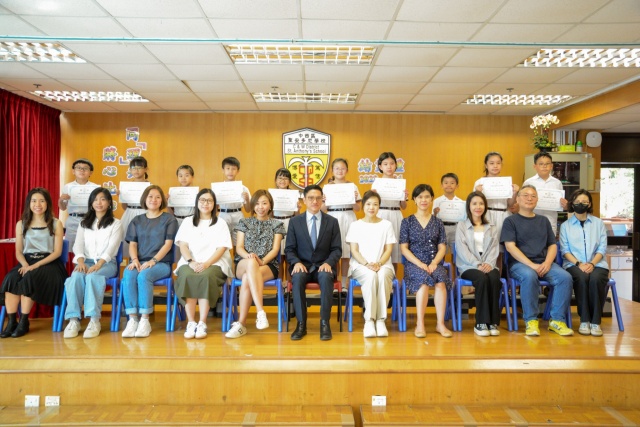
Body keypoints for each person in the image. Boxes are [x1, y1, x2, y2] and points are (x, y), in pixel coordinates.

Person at [501, 185, 574, 337]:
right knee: (529, 276)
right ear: (518, 199)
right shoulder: (510, 221)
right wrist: (531, 265)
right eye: (525, 195)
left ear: (537, 200)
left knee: (565, 277)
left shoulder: (544, 220)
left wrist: (547, 263)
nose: (529, 198)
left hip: (543, 262)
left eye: (533, 196)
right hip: (520, 264)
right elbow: (510, 247)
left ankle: (557, 321)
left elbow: (552, 245)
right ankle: (531, 321)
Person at [1, 188, 67, 338]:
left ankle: (24, 321)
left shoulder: (56, 223)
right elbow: (19, 251)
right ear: (29, 203)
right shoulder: (21, 224)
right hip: (27, 261)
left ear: (47, 203)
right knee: (11, 279)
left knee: (29, 278)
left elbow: (57, 252)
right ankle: (12, 322)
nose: (38, 204)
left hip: (49, 263)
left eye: (42, 201)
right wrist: (25, 265)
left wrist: (34, 266)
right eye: (34, 201)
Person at [63, 188, 123, 339]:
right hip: (86, 262)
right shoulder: (84, 223)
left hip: (107, 263)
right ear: (91, 203)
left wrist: (99, 264)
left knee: (92, 277)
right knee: (76, 277)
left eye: (103, 199)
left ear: (109, 203)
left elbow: (112, 247)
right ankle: (74, 320)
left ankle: (94, 320)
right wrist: (80, 262)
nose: (99, 202)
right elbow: (78, 245)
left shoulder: (116, 223)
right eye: (95, 199)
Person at [226, 190, 286, 338]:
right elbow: (239, 247)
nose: (261, 207)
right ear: (253, 205)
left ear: (270, 205)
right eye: (257, 203)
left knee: (248, 277)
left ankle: (241, 324)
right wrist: (249, 257)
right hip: (244, 262)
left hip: (268, 265)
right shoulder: (244, 222)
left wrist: (262, 261)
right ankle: (260, 311)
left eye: (264, 203)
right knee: (251, 264)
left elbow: (275, 249)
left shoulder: (277, 224)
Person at [285, 184, 342, 341]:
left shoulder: (332, 222)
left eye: (318, 198)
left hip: (324, 265)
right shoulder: (295, 222)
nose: (315, 201)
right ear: (304, 200)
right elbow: (289, 249)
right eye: (310, 198)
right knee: (297, 278)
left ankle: (325, 323)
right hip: (302, 265)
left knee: (325, 277)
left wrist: (329, 263)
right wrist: (296, 262)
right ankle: (301, 324)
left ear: (323, 199)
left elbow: (337, 249)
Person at [175, 189, 233, 340]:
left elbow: (222, 248)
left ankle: (202, 322)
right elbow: (183, 245)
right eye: (202, 200)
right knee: (187, 276)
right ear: (197, 202)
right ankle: (191, 322)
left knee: (206, 276)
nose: (205, 203)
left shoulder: (220, 223)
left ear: (214, 204)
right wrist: (191, 262)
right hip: (190, 261)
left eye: (209, 200)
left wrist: (207, 263)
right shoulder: (188, 221)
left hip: (215, 262)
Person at [121, 185, 178, 338]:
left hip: (161, 264)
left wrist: (153, 260)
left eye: (158, 197)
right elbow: (132, 244)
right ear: (144, 199)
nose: (154, 200)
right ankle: (132, 319)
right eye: (150, 196)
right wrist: (134, 260)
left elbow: (168, 245)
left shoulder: (169, 219)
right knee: (128, 273)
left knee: (144, 275)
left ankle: (145, 320)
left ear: (162, 200)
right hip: (139, 262)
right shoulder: (136, 220)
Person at [399, 184, 453, 339]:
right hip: (414, 264)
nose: (424, 200)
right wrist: (420, 264)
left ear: (432, 199)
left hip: (434, 262)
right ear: (414, 200)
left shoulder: (438, 222)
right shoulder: (407, 222)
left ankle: (440, 324)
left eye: (427, 197)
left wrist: (434, 262)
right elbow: (404, 249)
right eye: (420, 197)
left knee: (440, 281)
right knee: (423, 282)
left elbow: (442, 247)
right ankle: (420, 324)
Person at [345, 191, 396, 338]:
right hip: (360, 265)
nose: (371, 207)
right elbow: (354, 250)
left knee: (382, 275)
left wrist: (379, 263)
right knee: (371, 276)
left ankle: (380, 320)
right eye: (368, 204)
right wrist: (367, 264)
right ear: (363, 206)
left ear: (379, 206)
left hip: (383, 264)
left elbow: (389, 250)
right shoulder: (355, 225)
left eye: (375, 204)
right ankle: (369, 320)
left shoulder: (386, 225)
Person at [559, 189, 609, 337]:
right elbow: (565, 250)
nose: (581, 204)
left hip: (597, 264)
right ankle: (584, 320)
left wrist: (592, 264)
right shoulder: (565, 226)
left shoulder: (598, 223)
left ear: (589, 204)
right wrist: (579, 264)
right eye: (577, 202)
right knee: (581, 278)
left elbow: (602, 248)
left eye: (584, 202)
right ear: (572, 204)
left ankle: (595, 322)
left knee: (595, 279)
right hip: (573, 264)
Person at [455, 191, 502, 337]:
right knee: (481, 278)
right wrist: (477, 264)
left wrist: (488, 263)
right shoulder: (462, 226)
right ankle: (481, 322)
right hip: (468, 266)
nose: (478, 207)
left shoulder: (492, 227)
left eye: (481, 204)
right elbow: (462, 250)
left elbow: (494, 248)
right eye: (474, 203)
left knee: (494, 277)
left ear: (485, 206)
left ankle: (492, 322)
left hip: (488, 264)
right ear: (469, 206)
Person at [322, 158, 361, 292]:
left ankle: (344, 283)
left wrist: (354, 199)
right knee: (333, 251)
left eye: (342, 168)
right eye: (337, 168)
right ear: (332, 171)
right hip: (332, 217)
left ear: (347, 170)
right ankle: (334, 282)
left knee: (347, 252)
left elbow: (358, 208)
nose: (340, 171)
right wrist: (323, 201)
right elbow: (322, 209)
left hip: (349, 216)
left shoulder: (352, 186)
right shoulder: (327, 187)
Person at [474, 152, 519, 241]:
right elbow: (474, 204)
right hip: (487, 215)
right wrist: (478, 193)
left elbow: (510, 204)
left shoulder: (506, 182)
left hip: (504, 215)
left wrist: (515, 193)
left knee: (503, 243)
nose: (495, 166)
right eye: (492, 163)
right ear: (486, 165)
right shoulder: (479, 182)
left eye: (498, 163)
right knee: (488, 243)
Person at [374, 152, 408, 265]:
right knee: (381, 247)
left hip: (396, 214)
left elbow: (403, 206)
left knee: (394, 248)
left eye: (392, 163)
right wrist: (373, 195)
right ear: (380, 166)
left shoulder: (400, 183)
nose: (389, 166)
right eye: (385, 164)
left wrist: (404, 197)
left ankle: (393, 275)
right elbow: (372, 204)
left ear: (396, 165)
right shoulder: (376, 183)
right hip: (381, 214)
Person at [523, 152, 568, 236]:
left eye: (547, 164)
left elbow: (561, 204)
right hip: (531, 221)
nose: (544, 166)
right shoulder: (528, 182)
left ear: (551, 166)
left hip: (551, 221)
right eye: (541, 164)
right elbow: (522, 203)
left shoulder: (557, 183)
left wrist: (564, 205)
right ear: (535, 166)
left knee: (550, 243)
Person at [59, 158, 98, 250]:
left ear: (90, 172)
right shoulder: (68, 187)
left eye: (85, 168)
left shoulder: (95, 188)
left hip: (90, 219)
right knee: (71, 249)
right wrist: (61, 200)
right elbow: (63, 208)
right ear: (73, 171)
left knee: (89, 247)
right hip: (73, 220)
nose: (82, 170)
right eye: (78, 168)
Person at [120, 156, 149, 258]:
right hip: (129, 213)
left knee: (144, 240)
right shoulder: (126, 186)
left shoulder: (150, 186)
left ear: (146, 169)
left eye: (139, 167)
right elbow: (125, 207)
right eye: (133, 168)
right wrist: (121, 196)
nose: (136, 170)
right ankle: (130, 262)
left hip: (145, 214)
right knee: (127, 240)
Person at [217, 157, 251, 245]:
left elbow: (248, 210)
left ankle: (238, 255)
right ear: (223, 170)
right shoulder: (218, 188)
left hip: (238, 214)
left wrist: (247, 199)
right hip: (223, 214)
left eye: (233, 169)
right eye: (228, 168)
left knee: (239, 243)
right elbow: (214, 208)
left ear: (238, 171)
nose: (230, 171)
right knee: (223, 243)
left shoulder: (243, 188)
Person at [433, 172, 464, 255]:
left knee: (456, 253)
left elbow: (463, 217)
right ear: (442, 185)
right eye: (446, 183)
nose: (449, 185)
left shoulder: (461, 202)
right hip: (442, 228)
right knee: (441, 252)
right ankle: (441, 264)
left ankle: (455, 264)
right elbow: (433, 218)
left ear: (457, 186)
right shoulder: (437, 201)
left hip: (456, 228)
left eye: (452, 183)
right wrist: (435, 213)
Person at [272, 168, 301, 255]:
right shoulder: (271, 194)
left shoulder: (294, 195)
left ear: (289, 182)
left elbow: (297, 216)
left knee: (289, 251)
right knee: (277, 252)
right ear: (276, 180)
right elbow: (269, 214)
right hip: (275, 222)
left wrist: (298, 209)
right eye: (280, 178)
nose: (282, 181)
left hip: (289, 222)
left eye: (285, 178)